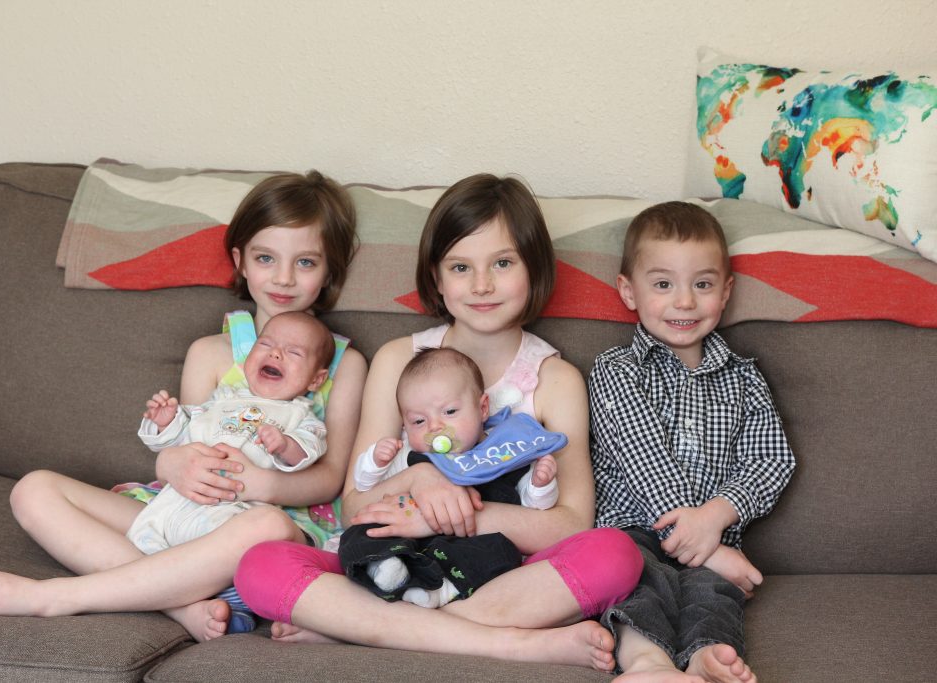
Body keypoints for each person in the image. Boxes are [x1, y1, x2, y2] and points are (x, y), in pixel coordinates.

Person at [0, 171, 368, 643]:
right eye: (266, 258)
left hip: (257, 526)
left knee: (267, 524)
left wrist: (262, 483)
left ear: (329, 271)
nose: (284, 277)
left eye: (305, 262)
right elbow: (186, 441)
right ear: (240, 261)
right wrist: (170, 461)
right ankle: (181, 605)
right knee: (33, 490)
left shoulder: (344, 364)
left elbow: (332, 477)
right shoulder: (210, 353)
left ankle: (52, 597)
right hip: (179, 511)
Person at [233, 173, 643, 673]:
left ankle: (362, 628)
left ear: (534, 269)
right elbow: (355, 505)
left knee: (617, 556)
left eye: (503, 263)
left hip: (499, 573)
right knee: (261, 566)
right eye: (460, 267)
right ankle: (507, 643)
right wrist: (419, 480)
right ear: (436, 277)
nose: (482, 285)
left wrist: (445, 516)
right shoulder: (397, 360)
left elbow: (572, 524)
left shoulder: (554, 380)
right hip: (391, 560)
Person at [589, 201, 796, 682]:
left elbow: (771, 459)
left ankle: (706, 656)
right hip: (633, 532)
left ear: (725, 291)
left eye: (702, 285)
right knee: (635, 582)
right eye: (663, 285)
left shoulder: (745, 379)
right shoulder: (616, 370)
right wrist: (706, 545)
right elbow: (644, 459)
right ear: (628, 291)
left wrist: (717, 516)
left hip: (716, 536)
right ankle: (647, 662)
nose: (684, 302)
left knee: (714, 593)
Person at [340, 346, 563, 609]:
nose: (435, 427)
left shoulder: (501, 451)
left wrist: (541, 485)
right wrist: (374, 462)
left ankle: (442, 589)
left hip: (465, 545)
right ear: (404, 425)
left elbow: (533, 506)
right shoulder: (410, 455)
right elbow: (366, 490)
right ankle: (385, 566)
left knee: (502, 551)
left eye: (449, 412)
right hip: (406, 538)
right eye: (419, 421)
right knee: (359, 532)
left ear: (482, 408)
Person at [129, 311, 335, 555]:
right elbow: (184, 440)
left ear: (316, 380)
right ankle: (163, 571)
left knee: (223, 540)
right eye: (265, 344)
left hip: (232, 507)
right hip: (178, 498)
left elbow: (310, 449)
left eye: (294, 352)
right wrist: (167, 423)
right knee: (141, 536)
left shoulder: (300, 416)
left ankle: (184, 572)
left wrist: (286, 445)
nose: (275, 353)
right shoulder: (222, 399)